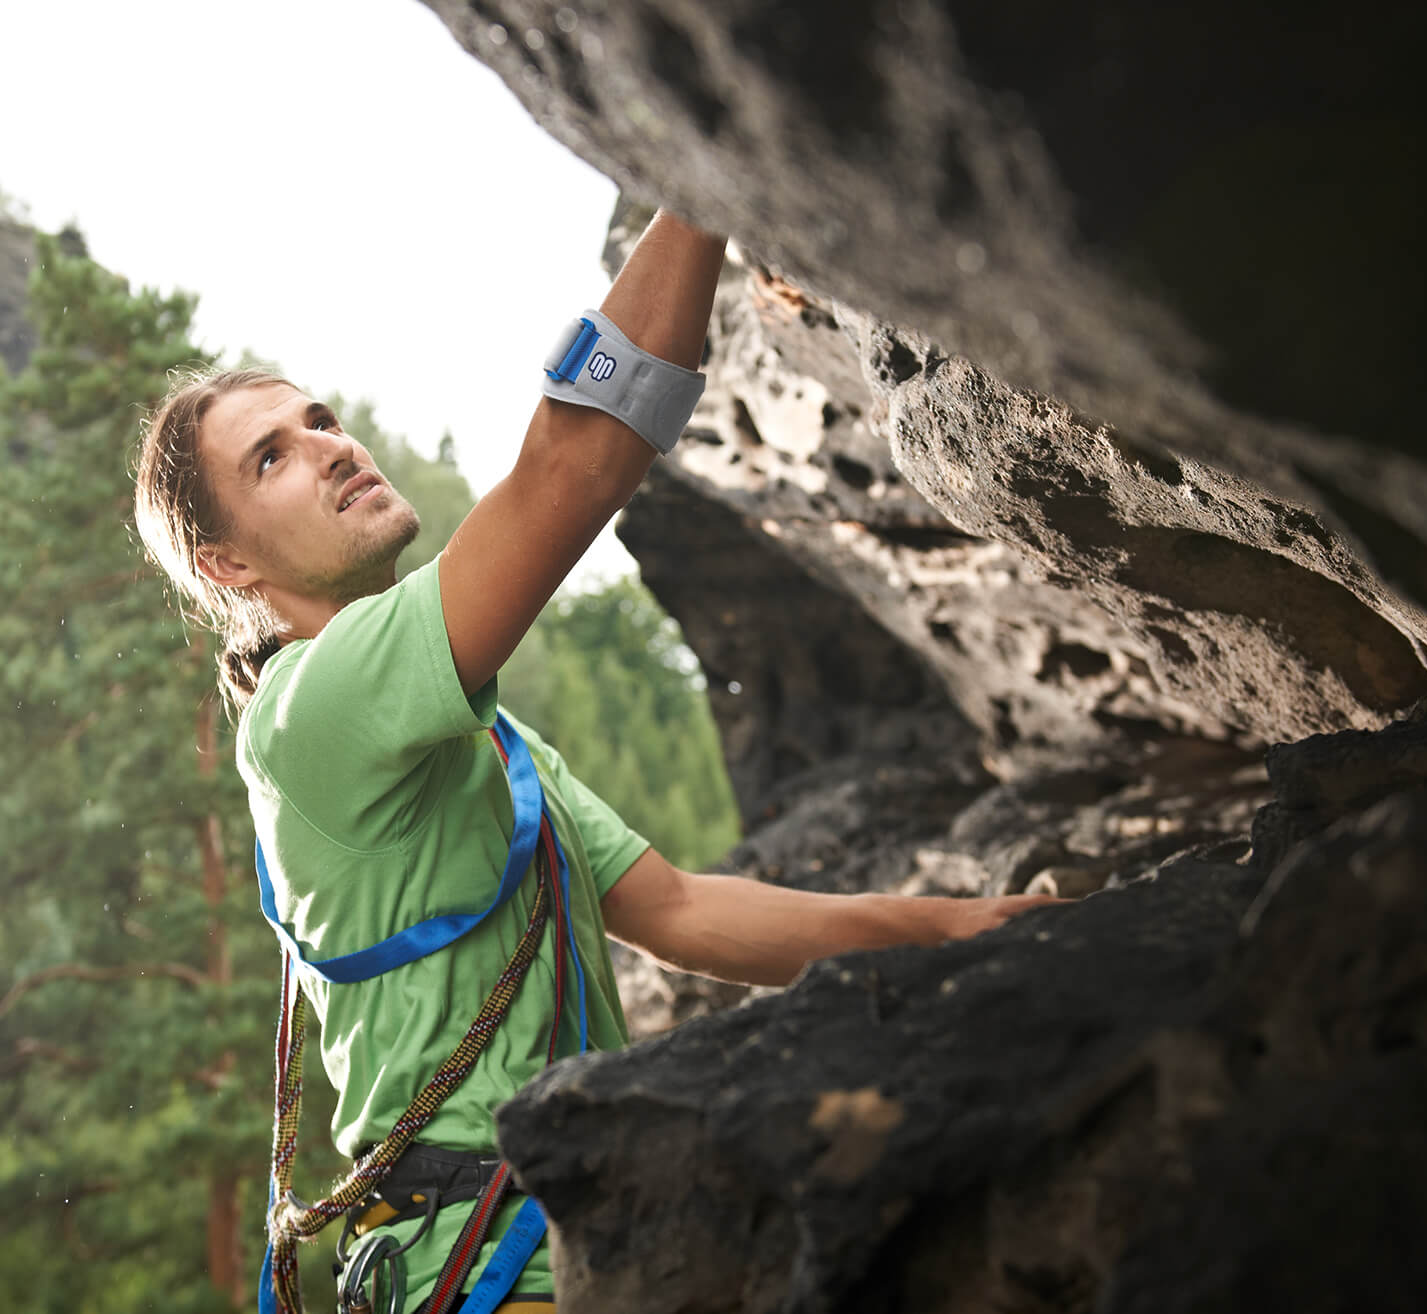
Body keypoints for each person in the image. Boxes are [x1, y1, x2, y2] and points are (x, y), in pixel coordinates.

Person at [132, 210, 1059, 1313]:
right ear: (227, 563)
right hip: (481, 1275)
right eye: (271, 457)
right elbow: (571, 465)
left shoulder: (484, 750)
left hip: (571, 1246)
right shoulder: (309, 706)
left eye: (319, 417)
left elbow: (681, 912)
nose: (332, 443)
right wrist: (697, 188)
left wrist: (957, 932)